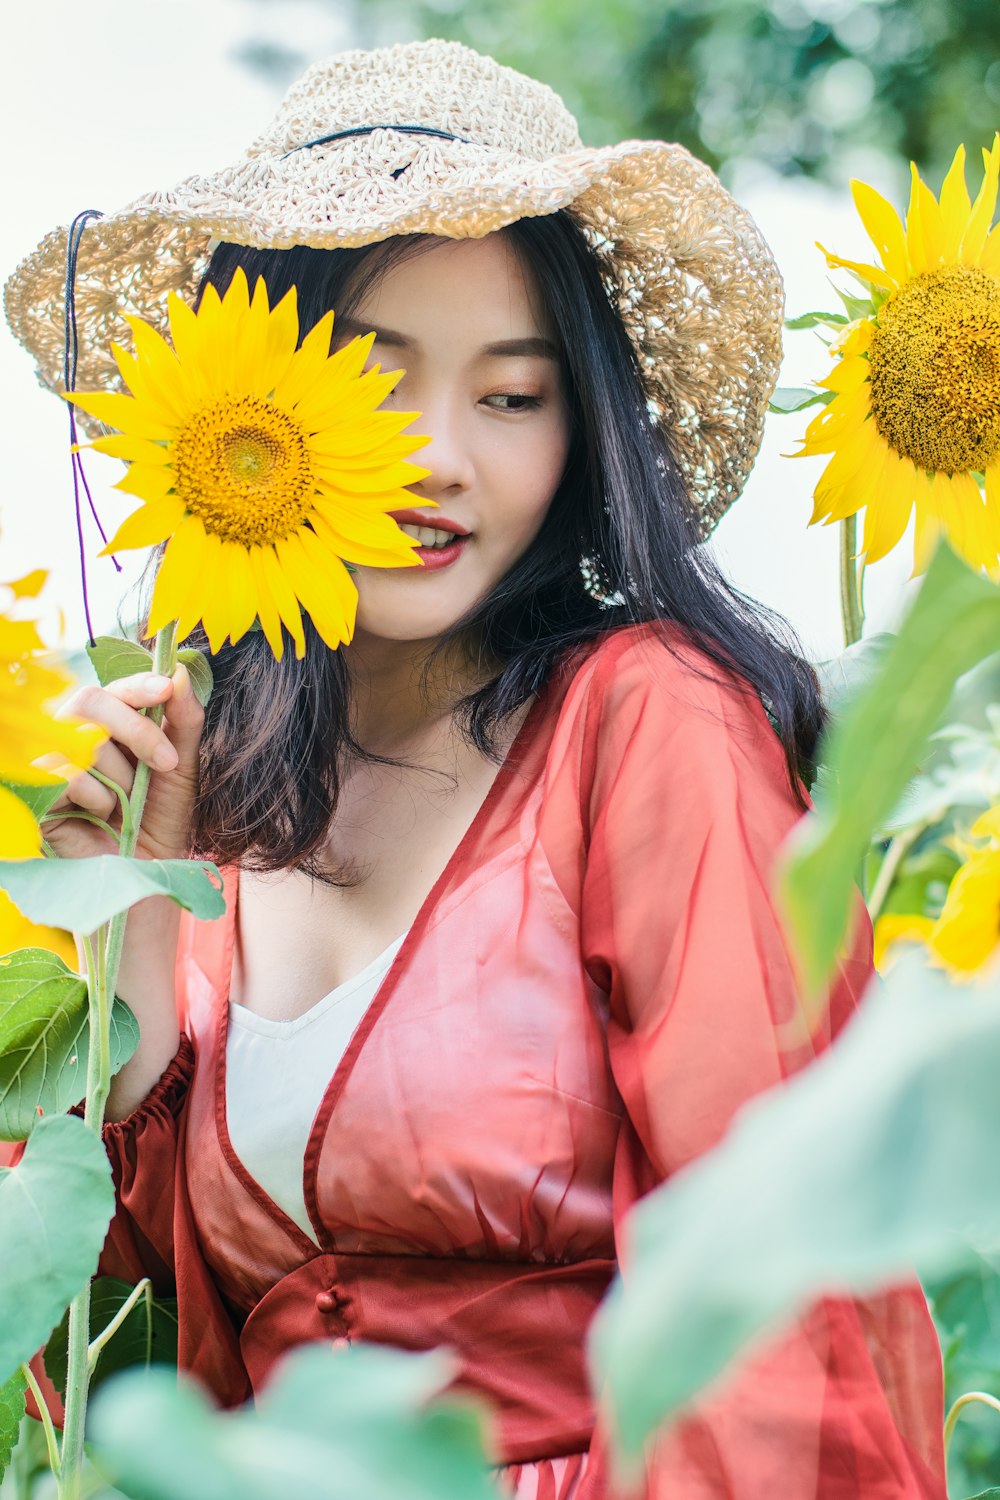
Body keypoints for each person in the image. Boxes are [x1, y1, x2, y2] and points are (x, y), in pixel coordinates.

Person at [5, 39, 946, 1499]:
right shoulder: (211, 807)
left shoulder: (648, 725)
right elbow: (108, 1389)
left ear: (582, 439)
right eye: (374, 379)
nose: (444, 455)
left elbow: (775, 1298)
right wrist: (129, 943)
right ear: (249, 420)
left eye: (514, 396)